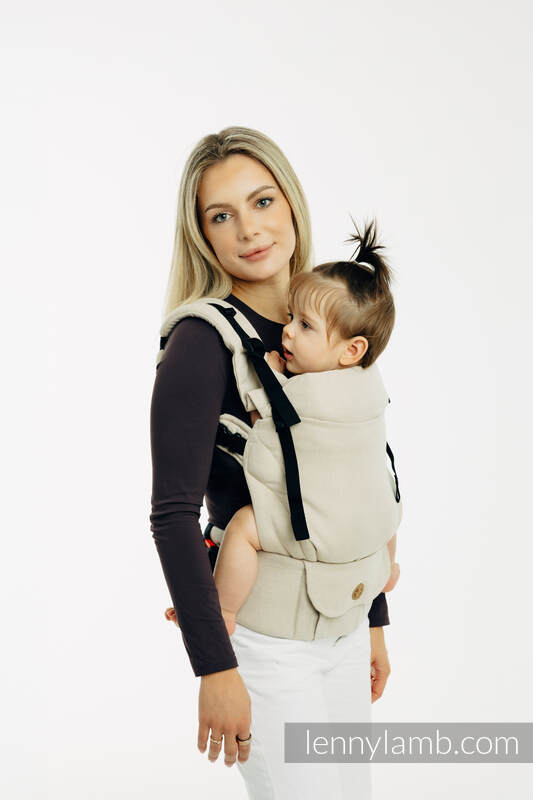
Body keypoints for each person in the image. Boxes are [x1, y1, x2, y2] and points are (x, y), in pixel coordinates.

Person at [150, 126, 396, 798]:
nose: (249, 229)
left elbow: (354, 473)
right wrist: (214, 667)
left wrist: (372, 618)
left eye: (261, 202)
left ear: (290, 202)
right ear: (201, 234)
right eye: (220, 215)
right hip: (265, 644)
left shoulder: (326, 322)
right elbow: (172, 515)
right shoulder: (202, 342)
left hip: (343, 626)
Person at [164, 218, 401, 640]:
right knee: (385, 509)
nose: (287, 331)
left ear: (352, 350)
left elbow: (271, 441)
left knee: (243, 527)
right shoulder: (370, 383)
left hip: (317, 533)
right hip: (369, 529)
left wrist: (271, 381)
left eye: (305, 326)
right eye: (292, 317)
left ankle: (223, 608)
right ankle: (389, 568)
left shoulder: (299, 392)